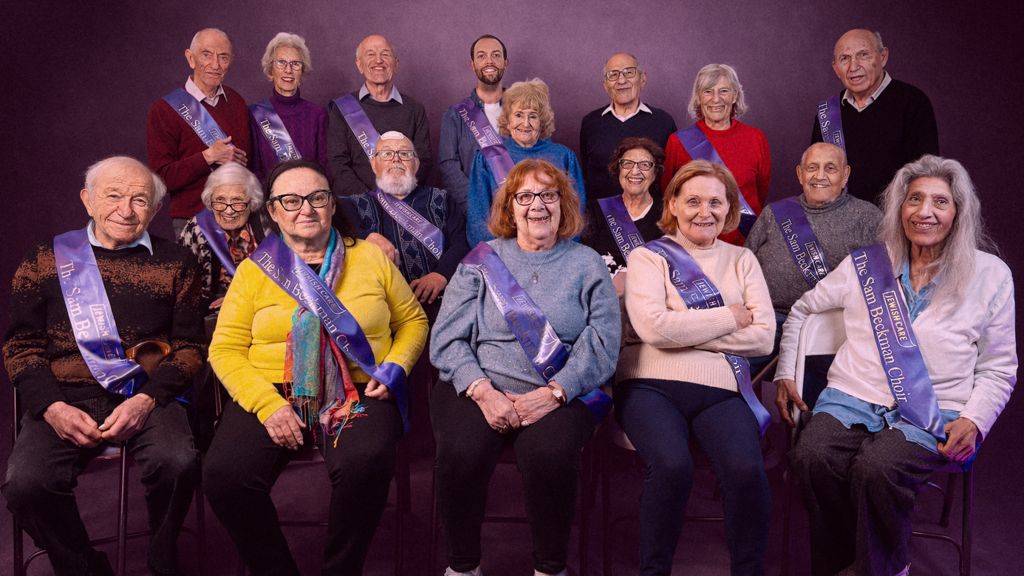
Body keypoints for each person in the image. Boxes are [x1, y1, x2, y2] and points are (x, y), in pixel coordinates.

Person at [777, 155, 1016, 576]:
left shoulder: (990, 275)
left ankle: (884, 568)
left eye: (940, 202)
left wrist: (976, 420)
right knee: (812, 454)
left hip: (935, 408)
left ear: (958, 212)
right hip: (853, 395)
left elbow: (998, 366)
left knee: (878, 467)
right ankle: (843, 566)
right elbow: (801, 311)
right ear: (899, 208)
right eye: (915, 199)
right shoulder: (866, 264)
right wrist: (783, 373)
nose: (925, 212)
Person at [203, 159, 428, 576]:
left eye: (317, 197)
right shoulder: (255, 270)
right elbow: (226, 349)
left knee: (363, 464)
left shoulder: (371, 259)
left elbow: (413, 321)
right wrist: (267, 405)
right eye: (290, 200)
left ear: (331, 204)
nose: (305, 209)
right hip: (274, 391)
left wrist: (395, 365)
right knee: (225, 476)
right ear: (272, 210)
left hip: (356, 390)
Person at [3, 156, 205, 576]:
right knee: (25, 486)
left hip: (147, 394)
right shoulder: (44, 259)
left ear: (154, 208)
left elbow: (188, 348)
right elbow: (21, 346)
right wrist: (51, 407)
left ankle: (162, 554)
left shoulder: (177, 261)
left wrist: (148, 400)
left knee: (178, 462)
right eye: (113, 196)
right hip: (65, 396)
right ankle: (82, 565)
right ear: (87, 201)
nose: (127, 210)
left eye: (139, 199)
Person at [431, 159, 620, 576]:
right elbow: (446, 339)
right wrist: (482, 390)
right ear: (510, 208)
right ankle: (462, 566)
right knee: (460, 452)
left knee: (550, 456)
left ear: (564, 205)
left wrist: (555, 393)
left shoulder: (587, 263)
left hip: (559, 391)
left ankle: (549, 567)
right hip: (480, 386)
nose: (538, 205)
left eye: (548, 195)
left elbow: (604, 342)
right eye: (525, 196)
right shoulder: (481, 260)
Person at [617, 160, 775, 575]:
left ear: (729, 209)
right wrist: (729, 316)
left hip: (720, 387)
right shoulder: (648, 257)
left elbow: (763, 337)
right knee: (672, 467)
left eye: (715, 202)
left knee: (746, 471)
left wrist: (680, 327)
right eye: (692, 201)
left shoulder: (742, 259)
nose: (704, 211)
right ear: (672, 204)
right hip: (650, 385)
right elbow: (652, 328)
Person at [745, 142, 881, 353]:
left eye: (830, 168)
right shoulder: (774, 213)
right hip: (767, 320)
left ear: (845, 175)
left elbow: (883, 282)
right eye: (812, 168)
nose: (819, 176)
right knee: (726, 368)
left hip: (829, 326)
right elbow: (744, 265)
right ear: (800, 174)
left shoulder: (868, 218)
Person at [338, 131, 469, 320]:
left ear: (416, 164)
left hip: (444, 304)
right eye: (386, 154)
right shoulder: (353, 206)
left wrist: (441, 275)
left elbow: (462, 243)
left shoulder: (443, 199)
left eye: (405, 154)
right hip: (385, 311)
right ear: (374, 164)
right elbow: (330, 228)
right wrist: (366, 236)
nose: (396, 159)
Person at [812, 29, 939, 205]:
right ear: (835, 68)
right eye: (845, 58)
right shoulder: (827, 113)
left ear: (883, 56)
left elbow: (927, 174)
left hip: (895, 221)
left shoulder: (913, 102)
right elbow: (817, 178)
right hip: (840, 222)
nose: (853, 67)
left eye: (863, 55)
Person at [147, 28, 252, 236]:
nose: (215, 64)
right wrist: (208, 157)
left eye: (223, 57)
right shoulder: (164, 109)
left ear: (230, 61)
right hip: (193, 221)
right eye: (206, 55)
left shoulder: (237, 102)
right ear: (190, 58)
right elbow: (161, 180)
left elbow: (249, 165)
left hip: (239, 218)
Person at [466, 78, 586, 246]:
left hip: (554, 253)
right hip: (502, 257)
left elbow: (576, 214)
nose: (525, 123)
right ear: (508, 120)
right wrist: (501, 258)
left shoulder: (564, 157)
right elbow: (477, 220)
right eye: (518, 115)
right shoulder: (486, 158)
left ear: (542, 121)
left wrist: (556, 254)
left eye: (533, 116)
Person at [663, 64, 770, 246]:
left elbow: (761, 191)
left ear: (735, 95)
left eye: (724, 91)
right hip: (694, 245)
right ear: (698, 97)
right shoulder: (678, 142)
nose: (716, 99)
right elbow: (669, 195)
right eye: (708, 92)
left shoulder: (756, 138)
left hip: (746, 244)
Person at [327, 34, 432, 197]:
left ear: (396, 64)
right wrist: (369, 202)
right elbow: (338, 163)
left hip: (406, 207)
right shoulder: (341, 109)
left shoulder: (415, 109)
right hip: (357, 206)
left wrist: (401, 195)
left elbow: (422, 161)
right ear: (359, 65)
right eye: (370, 54)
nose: (378, 60)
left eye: (385, 54)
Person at [579, 53, 676, 203]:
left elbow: (671, 179)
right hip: (600, 219)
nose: (621, 80)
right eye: (613, 75)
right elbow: (586, 173)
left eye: (629, 72)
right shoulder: (590, 123)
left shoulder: (664, 122)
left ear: (643, 78)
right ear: (605, 85)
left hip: (651, 220)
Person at [584, 136, 665, 296]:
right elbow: (587, 261)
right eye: (627, 164)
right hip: (605, 299)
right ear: (618, 170)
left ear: (655, 173)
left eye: (644, 165)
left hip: (652, 301)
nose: (635, 171)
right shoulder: (596, 210)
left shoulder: (667, 213)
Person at [178, 162, 266, 308]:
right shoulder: (196, 228)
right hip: (213, 310)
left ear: (251, 202)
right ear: (210, 200)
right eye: (220, 200)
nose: (229, 211)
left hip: (263, 304)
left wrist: (239, 299)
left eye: (237, 201)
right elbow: (185, 287)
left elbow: (285, 279)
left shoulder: (267, 225)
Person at [439, 34, 509, 215]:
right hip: (476, 212)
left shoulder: (524, 110)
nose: (489, 61)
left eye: (496, 55)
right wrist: (475, 206)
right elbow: (449, 166)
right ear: (472, 65)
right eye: (481, 56)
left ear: (505, 62)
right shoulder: (455, 114)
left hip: (521, 209)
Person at [249, 32, 328, 182]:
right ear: (271, 70)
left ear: (302, 71)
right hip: (270, 199)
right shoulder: (255, 114)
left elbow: (324, 167)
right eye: (281, 62)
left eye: (295, 64)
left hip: (310, 196)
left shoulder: (318, 114)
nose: (288, 70)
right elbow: (254, 169)